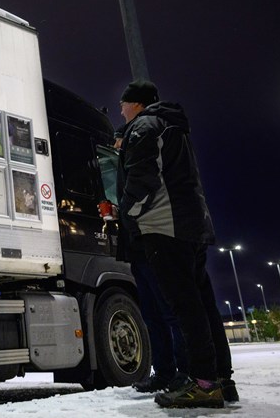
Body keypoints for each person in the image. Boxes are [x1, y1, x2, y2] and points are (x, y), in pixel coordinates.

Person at [117, 80, 237, 408]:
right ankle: (221, 379)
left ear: (136, 104)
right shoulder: (174, 126)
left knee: (184, 307)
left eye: (123, 104)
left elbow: (142, 180)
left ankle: (202, 384)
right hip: (192, 225)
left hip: (163, 226)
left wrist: (126, 215)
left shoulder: (144, 127)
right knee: (203, 306)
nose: (121, 110)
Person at [112, 123, 190, 394]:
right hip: (137, 247)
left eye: (117, 140)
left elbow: (142, 195)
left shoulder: (139, 159)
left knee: (169, 312)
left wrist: (123, 208)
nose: (115, 146)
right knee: (152, 315)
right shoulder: (126, 165)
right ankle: (165, 372)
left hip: (151, 244)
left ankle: (185, 372)